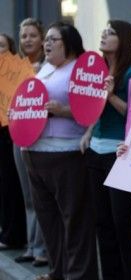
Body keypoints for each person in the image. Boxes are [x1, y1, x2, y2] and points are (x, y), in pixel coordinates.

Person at [22, 22, 98, 280]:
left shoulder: (80, 71)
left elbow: (92, 111)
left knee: (74, 219)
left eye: (54, 39)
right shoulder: (44, 68)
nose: (47, 43)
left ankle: (79, 274)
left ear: (70, 44)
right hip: (35, 150)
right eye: (48, 39)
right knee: (49, 220)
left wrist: (62, 111)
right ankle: (58, 272)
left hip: (65, 152)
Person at [79, 20, 131, 280]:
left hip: (118, 154)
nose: (104, 35)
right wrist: (87, 133)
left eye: (111, 32)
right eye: (104, 31)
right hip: (95, 150)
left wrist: (110, 95)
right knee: (102, 224)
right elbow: (93, 108)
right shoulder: (100, 69)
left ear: (125, 39)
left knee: (122, 226)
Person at [13, 18, 49, 267]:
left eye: (32, 35)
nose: (27, 40)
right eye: (24, 35)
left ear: (42, 38)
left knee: (42, 196)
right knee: (27, 195)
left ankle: (43, 249)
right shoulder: (12, 67)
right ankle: (31, 245)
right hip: (19, 134)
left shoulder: (49, 67)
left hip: (43, 137)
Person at [0, 33, 27, 251]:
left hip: (11, 132)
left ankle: (14, 234)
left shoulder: (18, 71)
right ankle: (5, 228)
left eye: (1, 46)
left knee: (11, 185)